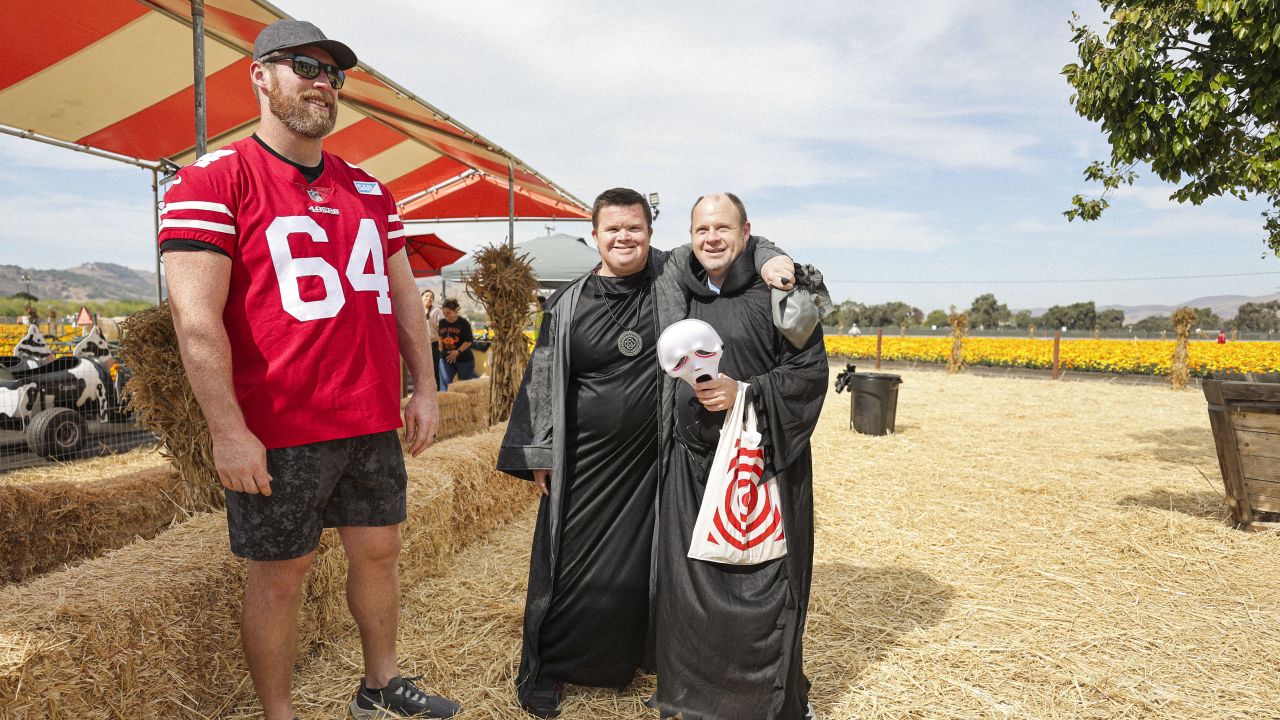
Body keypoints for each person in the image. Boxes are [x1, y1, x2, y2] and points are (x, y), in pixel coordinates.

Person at [157, 18, 458, 720]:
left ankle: (380, 687)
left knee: (379, 552)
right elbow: (195, 320)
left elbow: (402, 294)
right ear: (260, 75)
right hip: (279, 424)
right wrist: (227, 431)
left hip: (369, 413)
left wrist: (424, 388)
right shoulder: (212, 179)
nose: (322, 82)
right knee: (281, 577)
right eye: (303, 66)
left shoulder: (370, 191)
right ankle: (279, 714)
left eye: (333, 73)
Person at [498, 187, 796, 718]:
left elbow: (728, 238)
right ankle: (550, 669)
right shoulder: (569, 301)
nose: (624, 237)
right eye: (612, 229)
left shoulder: (668, 273)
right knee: (566, 565)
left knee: (640, 569)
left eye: (634, 227)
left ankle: (627, 662)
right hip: (584, 463)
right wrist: (540, 450)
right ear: (595, 236)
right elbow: (542, 375)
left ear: (651, 234)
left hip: (651, 458)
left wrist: (773, 256)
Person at [651, 193, 827, 720]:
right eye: (702, 229)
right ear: (690, 235)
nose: (712, 238)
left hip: (761, 464)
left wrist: (744, 392)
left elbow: (810, 372)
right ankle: (693, 702)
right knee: (690, 593)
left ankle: (766, 705)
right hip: (692, 467)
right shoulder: (675, 290)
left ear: (747, 232)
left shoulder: (783, 294)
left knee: (764, 591)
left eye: (723, 228)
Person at [437, 298, 477, 387]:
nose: (446, 316)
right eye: (444, 313)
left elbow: (468, 341)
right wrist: (440, 347)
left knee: (464, 386)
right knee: (445, 384)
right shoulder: (442, 322)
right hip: (446, 359)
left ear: (455, 311)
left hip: (464, 359)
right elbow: (440, 335)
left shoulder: (464, 323)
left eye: (448, 313)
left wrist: (457, 352)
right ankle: (445, 401)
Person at [422, 290, 446, 390]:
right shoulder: (416, 310)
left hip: (434, 344)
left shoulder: (437, 311)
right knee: (423, 370)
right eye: (426, 296)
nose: (429, 298)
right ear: (421, 297)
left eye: (431, 297)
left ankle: (437, 393)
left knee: (435, 369)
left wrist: (441, 344)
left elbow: (442, 328)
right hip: (421, 345)